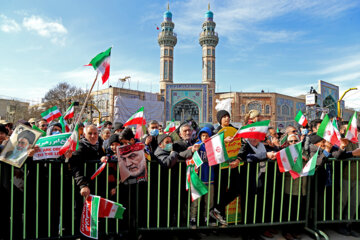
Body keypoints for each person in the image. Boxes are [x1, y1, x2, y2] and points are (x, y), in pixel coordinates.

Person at [190, 127, 216, 228]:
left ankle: (207, 219)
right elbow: (190, 157)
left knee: (209, 202)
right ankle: (193, 219)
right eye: (202, 135)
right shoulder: (197, 145)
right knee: (196, 202)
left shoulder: (213, 147)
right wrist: (193, 151)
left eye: (206, 135)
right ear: (200, 136)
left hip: (210, 177)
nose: (204, 137)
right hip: (198, 178)